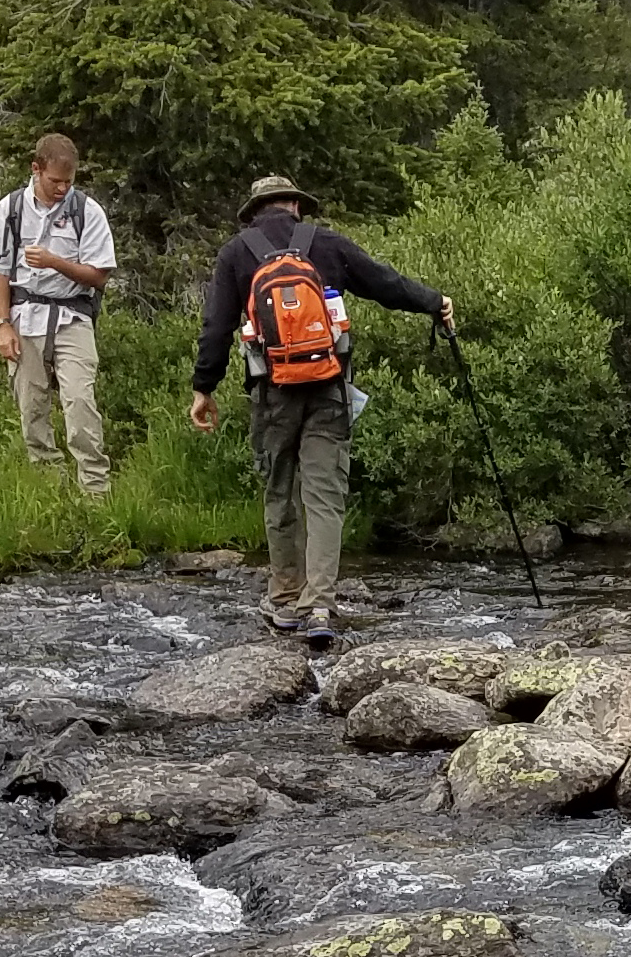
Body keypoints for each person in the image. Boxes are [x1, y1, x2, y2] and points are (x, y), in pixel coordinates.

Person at [191, 171, 451, 625]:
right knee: (325, 497)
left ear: (254, 213)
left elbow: (217, 327)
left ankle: (286, 599)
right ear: (295, 205)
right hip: (329, 389)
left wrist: (203, 388)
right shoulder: (325, 243)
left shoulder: (237, 252)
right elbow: (384, 283)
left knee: (279, 492)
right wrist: (433, 301)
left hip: (272, 394)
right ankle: (320, 607)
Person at [0, 133, 116, 501]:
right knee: (32, 409)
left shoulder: (87, 211)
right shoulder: (11, 209)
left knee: (80, 403)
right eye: (55, 181)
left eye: (69, 181)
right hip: (24, 317)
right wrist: (3, 326)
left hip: (72, 316)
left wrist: (55, 262)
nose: (62, 188)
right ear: (36, 170)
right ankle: (52, 495)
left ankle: (95, 497)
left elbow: (99, 275)